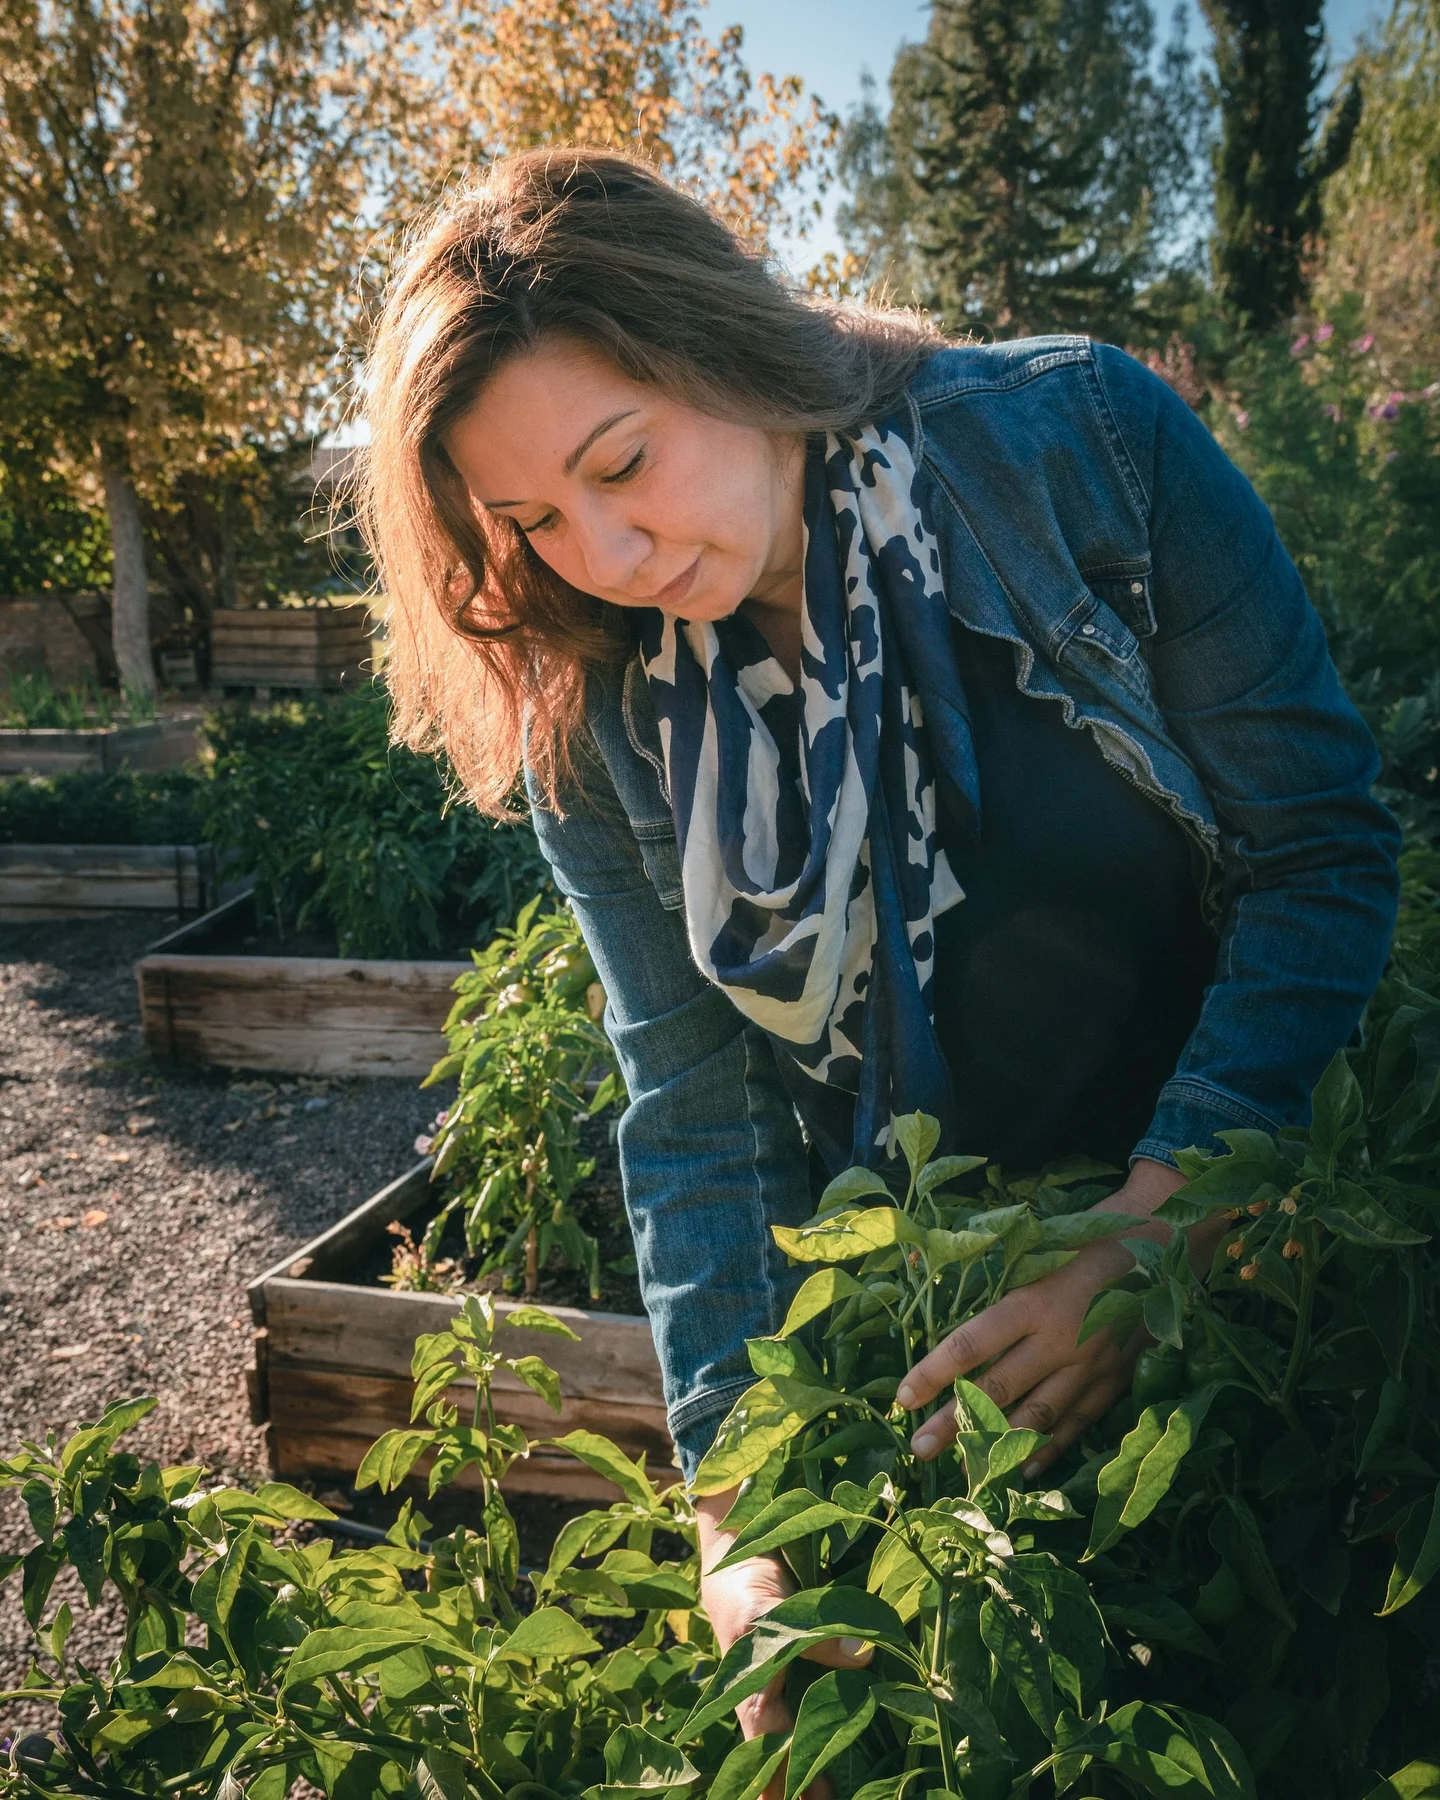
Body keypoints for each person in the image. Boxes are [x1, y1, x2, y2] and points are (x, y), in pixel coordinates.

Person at [359, 147, 1400, 1770]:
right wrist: (741, 1520)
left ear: (723, 345)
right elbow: (693, 1113)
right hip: (933, 1329)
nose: (609, 556)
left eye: (622, 461)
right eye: (535, 520)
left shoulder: (1084, 447)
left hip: (1270, 1259)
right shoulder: (595, 714)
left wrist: (1159, 1231)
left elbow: (1319, 851)